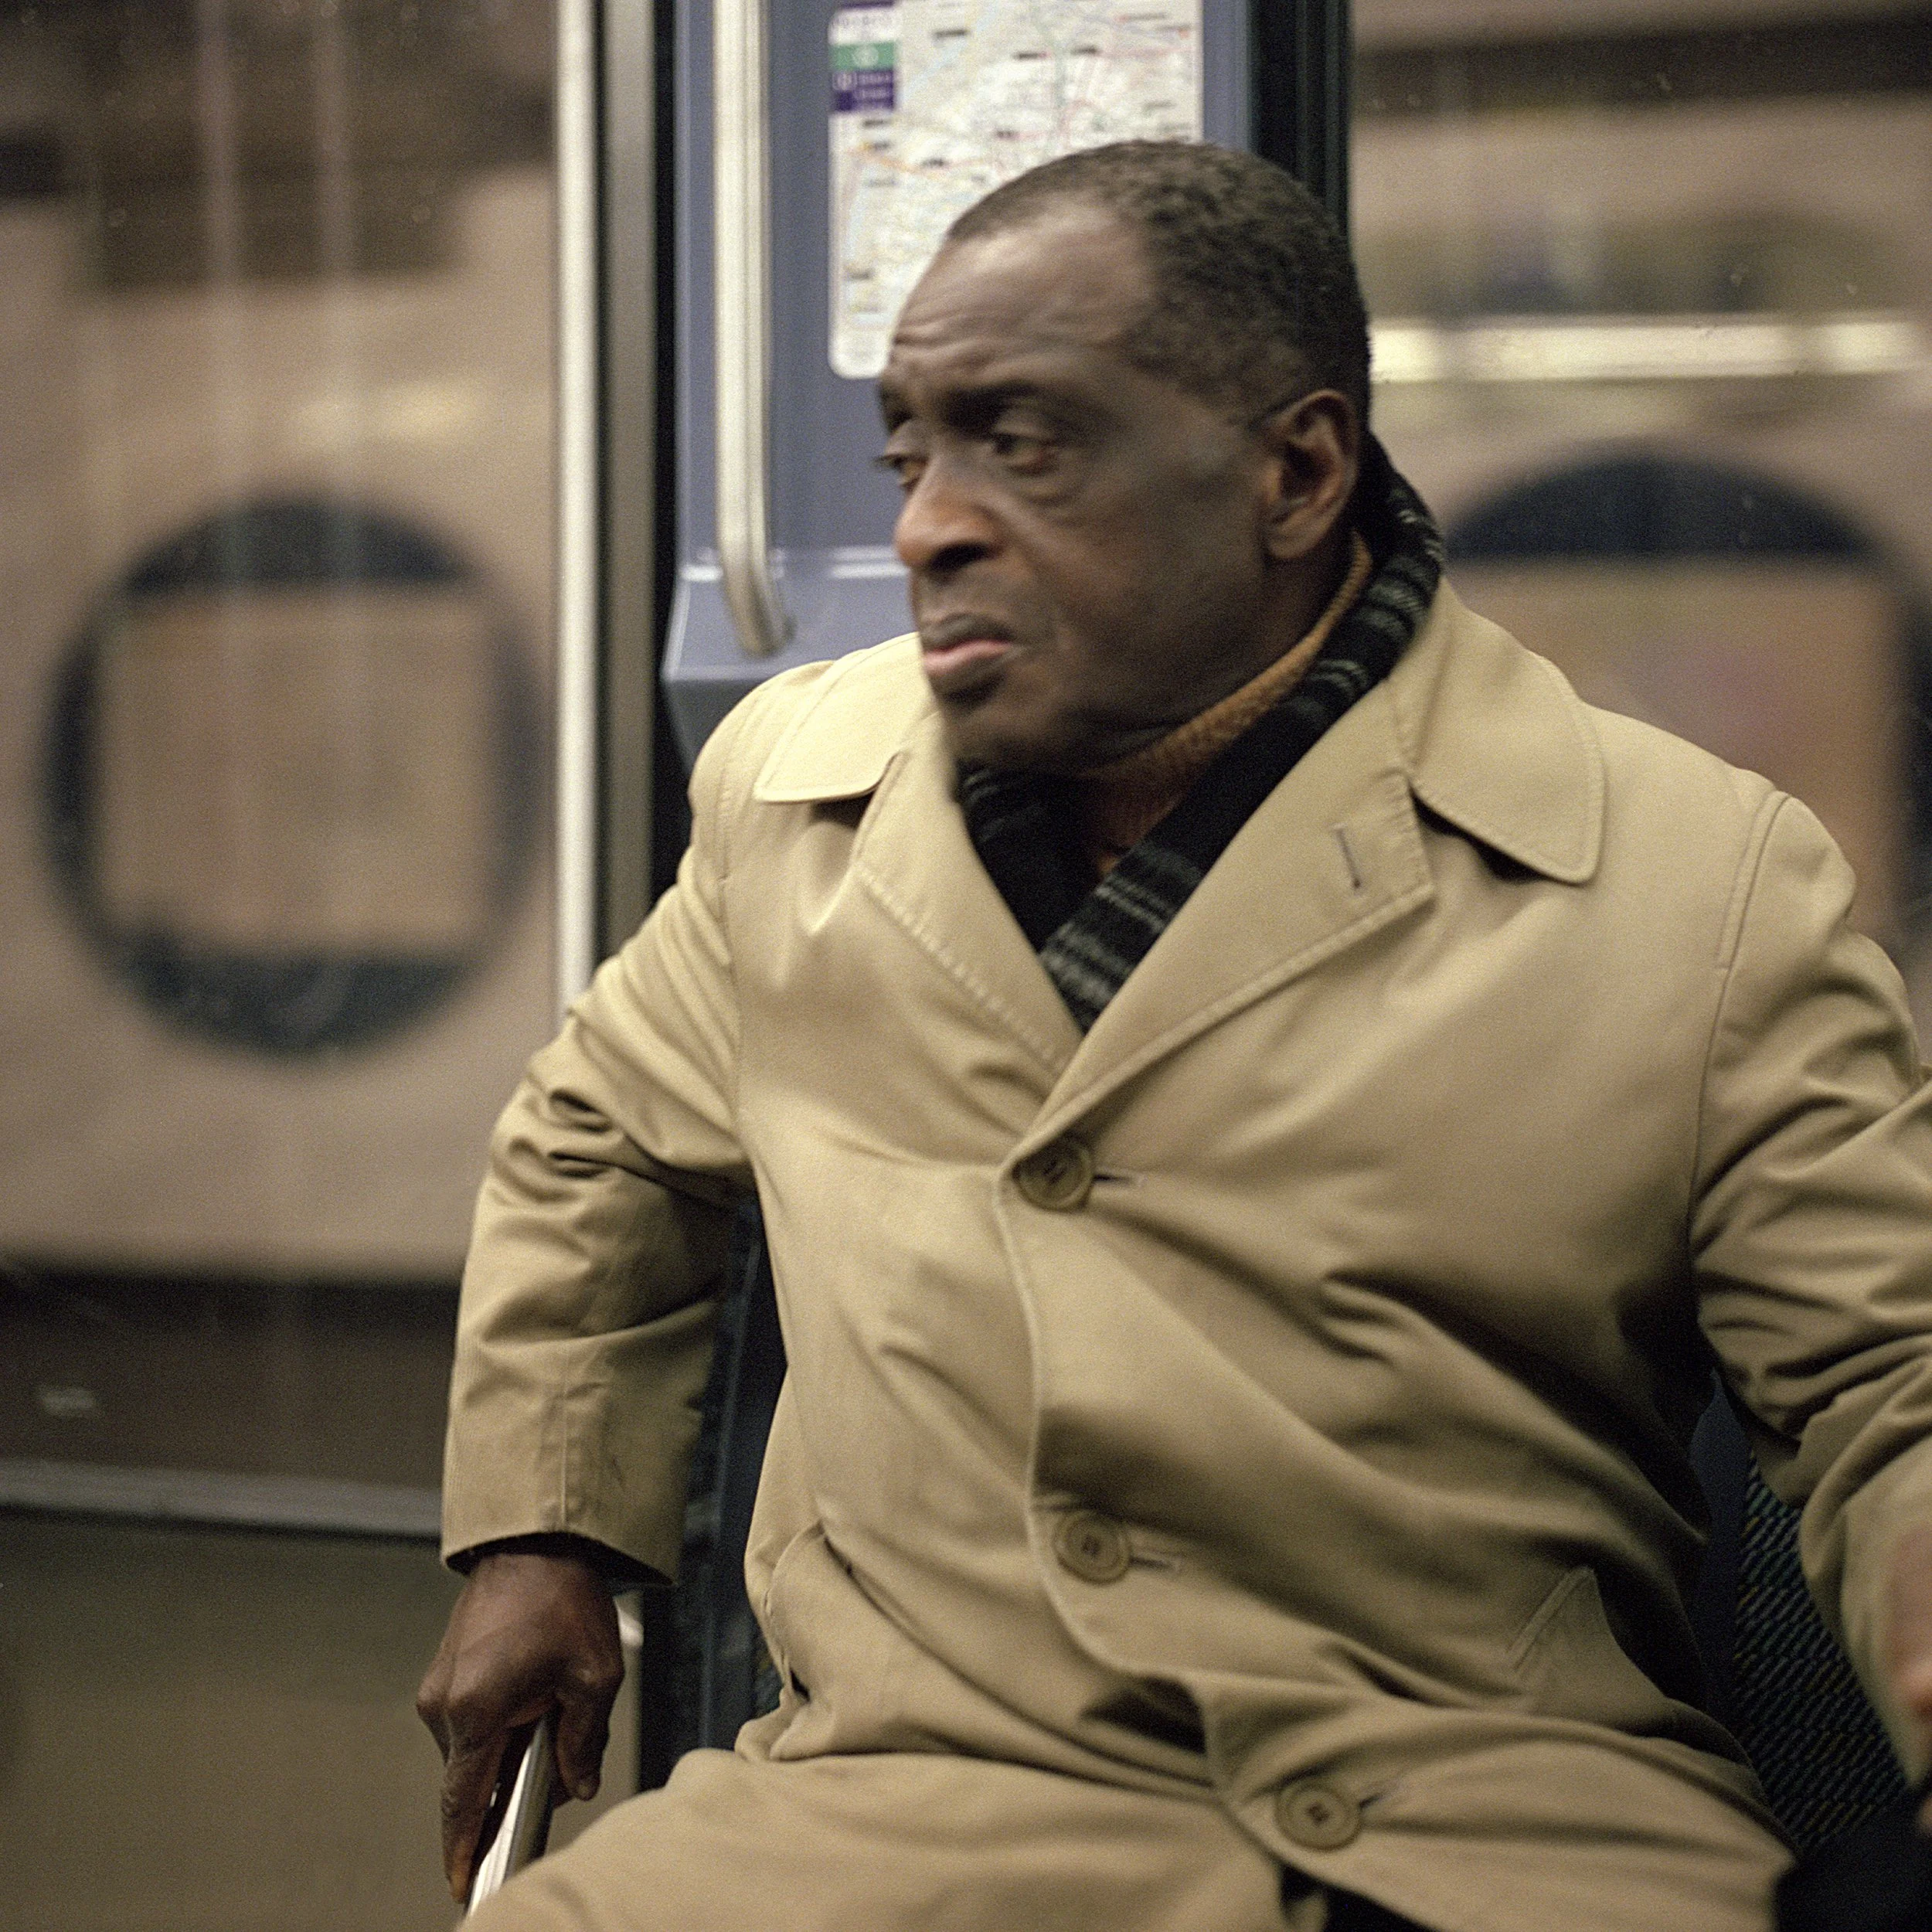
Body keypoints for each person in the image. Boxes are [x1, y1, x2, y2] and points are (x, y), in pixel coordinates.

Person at [417, 141, 1932, 1932]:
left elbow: (1883, 1381)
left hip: (1450, 1827)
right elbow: (600, 1132)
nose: (926, 521)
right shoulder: (798, 802)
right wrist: (542, 1532)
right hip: (875, 1815)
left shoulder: (1692, 887)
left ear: (1295, 473)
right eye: (913, 450)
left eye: (1025, 440)